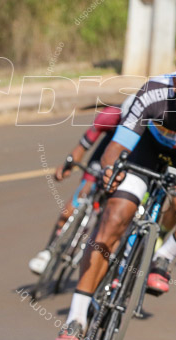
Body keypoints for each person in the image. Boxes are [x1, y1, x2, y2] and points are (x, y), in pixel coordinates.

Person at [55, 42, 176, 340]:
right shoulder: (155, 92)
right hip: (147, 150)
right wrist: (111, 172)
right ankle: (75, 319)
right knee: (115, 217)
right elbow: (118, 147)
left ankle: (164, 256)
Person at [27, 104, 125, 275]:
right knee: (81, 195)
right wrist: (67, 166)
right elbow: (81, 148)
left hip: (132, 160)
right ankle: (49, 251)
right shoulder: (110, 115)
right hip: (105, 155)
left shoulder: (150, 125)